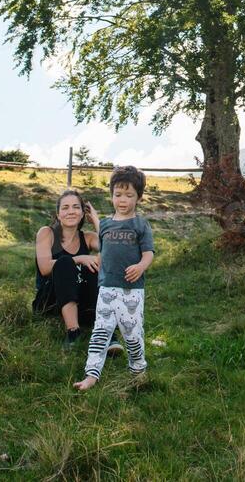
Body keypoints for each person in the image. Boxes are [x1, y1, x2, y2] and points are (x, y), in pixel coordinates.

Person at [73, 166, 154, 389]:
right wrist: (96, 218)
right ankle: (91, 374)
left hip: (132, 290)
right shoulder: (107, 224)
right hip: (107, 288)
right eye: (118, 195)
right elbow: (104, 237)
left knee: (132, 333)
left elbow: (149, 253)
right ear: (111, 195)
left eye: (129, 195)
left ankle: (138, 369)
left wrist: (140, 266)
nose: (123, 200)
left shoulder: (141, 225)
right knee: (100, 332)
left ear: (138, 197)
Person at [33, 187, 124, 354]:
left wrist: (96, 220)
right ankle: (73, 333)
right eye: (65, 207)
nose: (71, 211)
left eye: (76, 207)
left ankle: (105, 332)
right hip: (50, 301)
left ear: (83, 213)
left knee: (94, 264)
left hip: (81, 301)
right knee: (66, 263)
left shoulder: (88, 237)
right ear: (58, 213)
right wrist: (80, 258)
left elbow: (113, 250)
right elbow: (45, 268)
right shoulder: (46, 233)